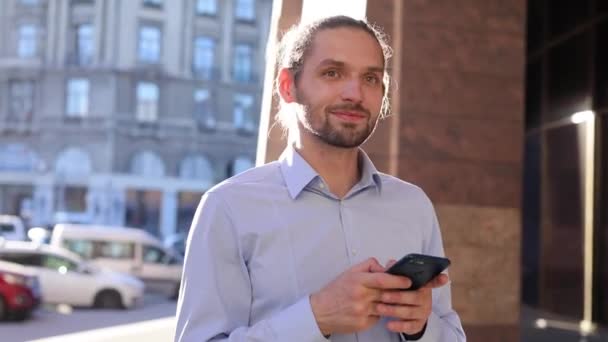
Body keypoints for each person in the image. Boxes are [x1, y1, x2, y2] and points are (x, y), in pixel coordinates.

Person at [175, 15, 466, 342]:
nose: (355, 93)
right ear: (288, 86)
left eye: (370, 78)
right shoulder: (228, 208)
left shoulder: (413, 205)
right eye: (332, 73)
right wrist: (316, 316)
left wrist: (420, 328)